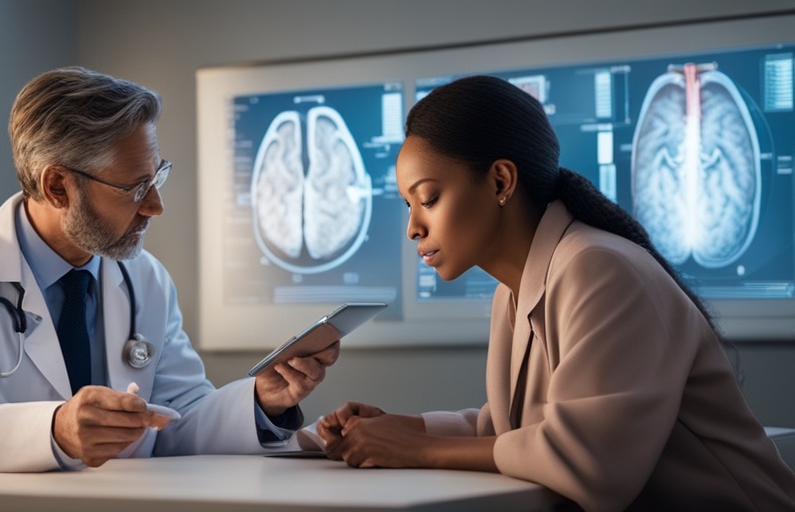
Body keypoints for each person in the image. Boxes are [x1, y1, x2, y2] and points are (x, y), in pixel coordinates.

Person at [315, 75, 795, 511]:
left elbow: (589, 463)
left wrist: (415, 450)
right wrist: (402, 428)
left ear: (500, 180)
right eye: (408, 205)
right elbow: (519, 433)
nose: (413, 228)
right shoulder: (518, 288)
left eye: (429, 199)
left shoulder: (599, 268)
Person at [0, 66, 338, 472]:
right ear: (58, 186)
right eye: (137, 187)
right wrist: (55, 430)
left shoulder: (146, 280)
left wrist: (261, 400)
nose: (156, 206)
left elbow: (176, 419)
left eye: (158, 177)